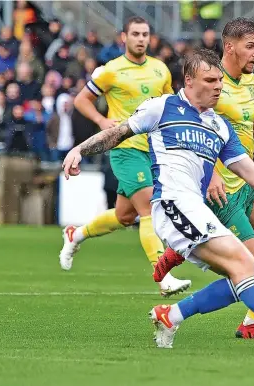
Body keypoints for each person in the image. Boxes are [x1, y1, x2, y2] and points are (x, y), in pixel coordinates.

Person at [61, 48, 254, 355]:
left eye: (220, 80)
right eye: (210, 80)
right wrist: (79, 150)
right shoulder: (162, 107)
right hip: (172, 205)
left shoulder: (220, 126)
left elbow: (253, 175)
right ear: (188, 81)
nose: (218, 86)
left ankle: (171, 315)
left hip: (195, 209)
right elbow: (119, 132)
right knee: (245, 269)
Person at [154, 18, 254, 342]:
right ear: (229, 47)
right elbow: (191, 127)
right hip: (222, 192)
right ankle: (177, 276)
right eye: (251, 46)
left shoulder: (249, 82)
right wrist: (213, 172)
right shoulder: (210, 83)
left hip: (248, 182)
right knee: (251, 273)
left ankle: (252, 323)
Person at [59, 16, 191, 296]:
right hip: (125, 149)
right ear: (124, 37)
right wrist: (101, 120)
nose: (141, 38)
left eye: (145, 34)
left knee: (124, 215)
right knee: (149, 209)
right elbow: (81, 100)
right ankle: (163, 276)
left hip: (153, 150)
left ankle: (76, 234)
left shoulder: (160, 70)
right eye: (135, 34)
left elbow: (168, 104)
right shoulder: (110, 71)